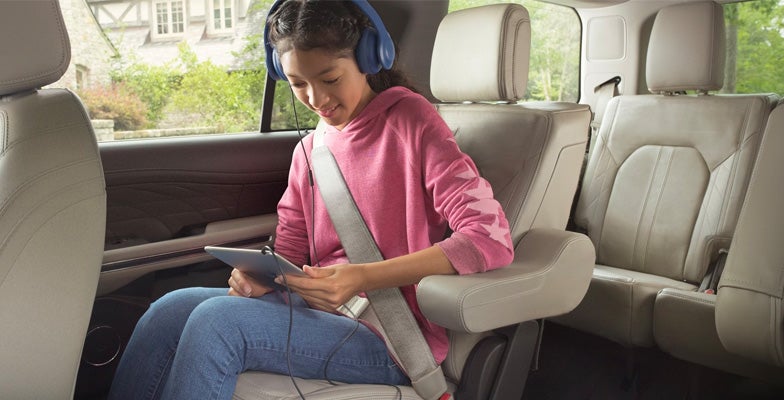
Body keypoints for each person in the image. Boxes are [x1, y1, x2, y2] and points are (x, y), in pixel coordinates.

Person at [108, 1, 513, 399]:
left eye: (330, 78)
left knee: (217, 323)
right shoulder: (311, 150)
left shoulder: (411, 120)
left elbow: (488, 239)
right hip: (315, 311)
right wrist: (257, 278)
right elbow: (289, 248)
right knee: (168, 310)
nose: (316, 99)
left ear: (369, 58)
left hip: (389, 334)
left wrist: (362, 276)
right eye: (299, 84)